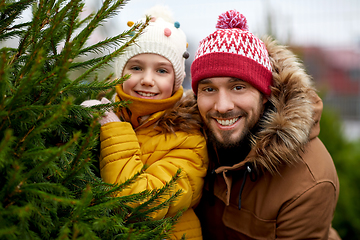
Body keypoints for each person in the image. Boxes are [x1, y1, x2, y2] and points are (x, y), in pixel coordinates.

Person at [190, 10, 340, 239]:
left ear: (265, 94)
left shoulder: (309, 180)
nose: (221, 106)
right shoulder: (185, 140)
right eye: (209, 89)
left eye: (238, 87)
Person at [82, 6, 208, 240]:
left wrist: (114, 130)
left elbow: (141, 202)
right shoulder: (108, 114)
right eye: (136, 67)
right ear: (122, 72)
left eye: (161, 70)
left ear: (176, 79)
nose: (147, 80)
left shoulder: (189, 137)